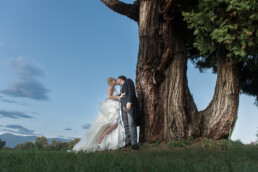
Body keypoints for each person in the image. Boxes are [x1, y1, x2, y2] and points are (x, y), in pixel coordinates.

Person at [72, 78, 126, 153]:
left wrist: (120, 96)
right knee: (114, 124)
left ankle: (109, 142)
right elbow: (109, 97)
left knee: (114, 124)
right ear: (111, 81)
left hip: (115, 105)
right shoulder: (110, 88)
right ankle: (101, 136)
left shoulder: (114, 88)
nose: (115, 81)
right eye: (114, 80)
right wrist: (119, 97)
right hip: (111, 106)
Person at [117, 75, 141, 150]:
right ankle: (128, 143)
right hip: (123, 107)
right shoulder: (121, 87)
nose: (117, 81)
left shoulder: (128, 81)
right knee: (126, 125)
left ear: (120, 79)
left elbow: (131, 91)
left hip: (128, 105)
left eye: (117, 80)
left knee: (131, 124)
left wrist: (129, 102)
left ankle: (134, 144)